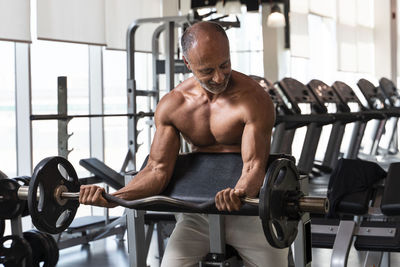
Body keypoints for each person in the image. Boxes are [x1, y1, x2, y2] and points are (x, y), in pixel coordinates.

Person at [79, 21, 288, 267]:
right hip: (196, 216)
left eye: (225, 65)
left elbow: (253, 167)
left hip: (248, 213)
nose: (219, 77)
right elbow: (157, 170)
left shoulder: (254, 99)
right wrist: (113, 197)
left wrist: (239, 194)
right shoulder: (174, 105)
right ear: (187, 63)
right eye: (208, 71)